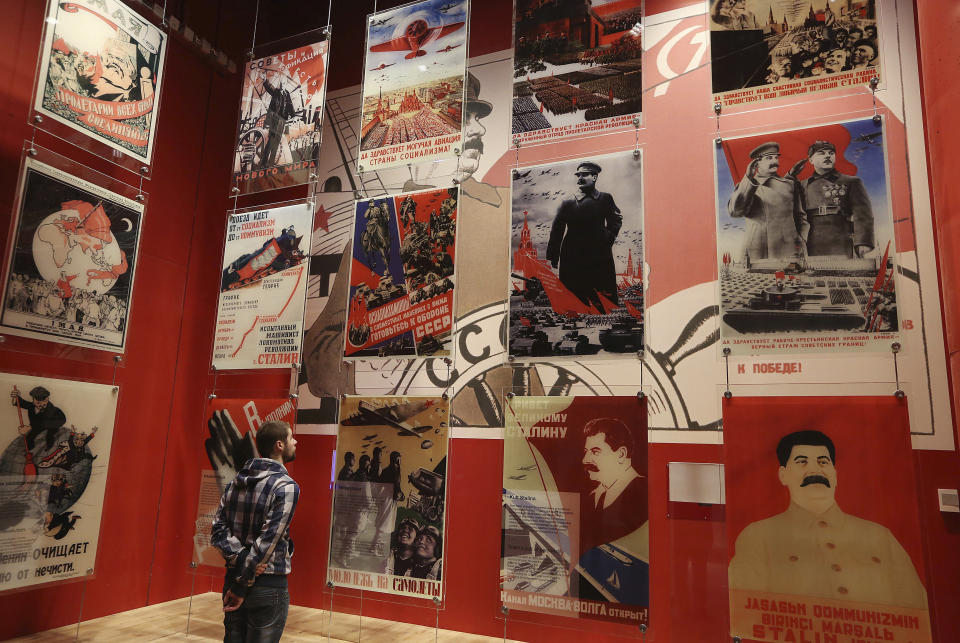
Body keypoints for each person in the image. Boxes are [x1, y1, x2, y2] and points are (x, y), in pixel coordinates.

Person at [728, 430, 927, 608]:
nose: (815, 470)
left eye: (823, 462)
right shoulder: (758, 536)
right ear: (783, 475)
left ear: (835, 473)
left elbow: (915, 609)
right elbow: (746, 611)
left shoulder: (879, 535)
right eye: (802, 462)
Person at [211, 421, 299, 643]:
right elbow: (266, 544)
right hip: (265, 586)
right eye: (291, 438)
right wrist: (242, 585)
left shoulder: (233, 484)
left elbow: (218, 533)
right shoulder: (286, 486)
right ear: (279, 445)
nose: (295, 442)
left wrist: (240, 559)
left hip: (232, 579)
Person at [546, 161, 623, 312]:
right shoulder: (567, 202)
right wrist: (553, 257)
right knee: (574, 298)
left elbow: (616, 219)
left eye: (585, 174)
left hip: (600, 254)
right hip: (573, 256)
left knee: (603, 299)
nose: (580, 178)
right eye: (578, 175)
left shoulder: (606, 198)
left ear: (594, 177)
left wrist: (609, 237)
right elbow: (557, 230)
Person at [727, 142, 808, 261]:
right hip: (758, 249)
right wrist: (748, 178)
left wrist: (802, 239)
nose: (774, 161)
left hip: (788, 249)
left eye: (776, 157)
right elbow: (735, 211)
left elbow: (801, 216)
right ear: (756, 163)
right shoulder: (747, 186)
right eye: (769, 158)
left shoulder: (789, 185)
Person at [798, 140, 874, 257]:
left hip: (841, 238)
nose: (827, 156)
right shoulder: (802, 185)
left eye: (831, 153)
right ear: (811, 160)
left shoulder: (851, 182)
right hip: (811, 239)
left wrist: (863, 241)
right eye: (821, 153)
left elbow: (863, 214)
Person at [11, 386, 66, 452]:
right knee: (29, 438)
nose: (42, 404)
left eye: (45, 401)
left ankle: (49, 450)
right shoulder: (31, 406)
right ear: (33, 400)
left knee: (49, 436)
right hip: (37, 427)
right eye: (38, 403)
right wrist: (15, 396)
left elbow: (44, 422)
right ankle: (29, 451)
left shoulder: (52, 410)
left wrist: (29, 428)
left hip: (52, 424)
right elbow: (19, 402)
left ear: (48, 398)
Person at [372, 451, 403, 555]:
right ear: (396, 459)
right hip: (388, 499)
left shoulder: (390, 470)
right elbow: (396, 486)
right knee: (383, 524)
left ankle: (375, 546)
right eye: (399, 458)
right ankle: (374, 548)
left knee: (384, 524)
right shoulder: (394, 470)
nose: (400, 460)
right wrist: (400, 495)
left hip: (388, 499)